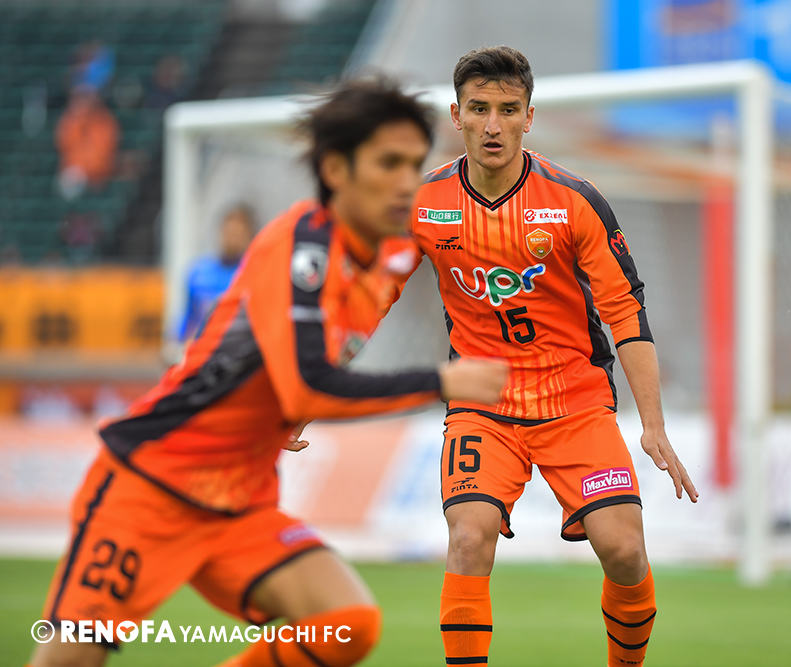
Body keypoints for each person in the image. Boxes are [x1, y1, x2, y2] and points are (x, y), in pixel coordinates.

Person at [28, 77, 508, 667]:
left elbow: (314, 365)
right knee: (68, 660)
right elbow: (307, 383)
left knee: (345, 623)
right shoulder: (301, 246)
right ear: (336, 170)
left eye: (415, 164)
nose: (408, 182)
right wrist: (439, 382)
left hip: (239, 502)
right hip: (152, 485)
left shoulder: (391, 252)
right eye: (389, 163)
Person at [410, 47, 699, 667]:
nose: (493, 125)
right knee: (468, 538)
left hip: (575, 405)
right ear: (456, 116)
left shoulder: (573, 200)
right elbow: (368, 297)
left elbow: (625, 309)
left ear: (529, 117)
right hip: (482, 405)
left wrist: (652, 424)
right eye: (479, 109)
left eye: (507, 110)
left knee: (624, 550)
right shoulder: (424, 203)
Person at [178, 204, 257, 342]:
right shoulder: (198, 272)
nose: (232, 239)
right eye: (229, 233)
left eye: (237, 235)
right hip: (201, 346)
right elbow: (188, 318)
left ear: (248, 237)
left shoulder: (252, 275)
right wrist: (178, 341)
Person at [55, 84, 119, 199]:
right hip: (85, 180)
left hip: (95, 181)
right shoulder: (71, 127)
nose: (80, 103)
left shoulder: (102, 122)